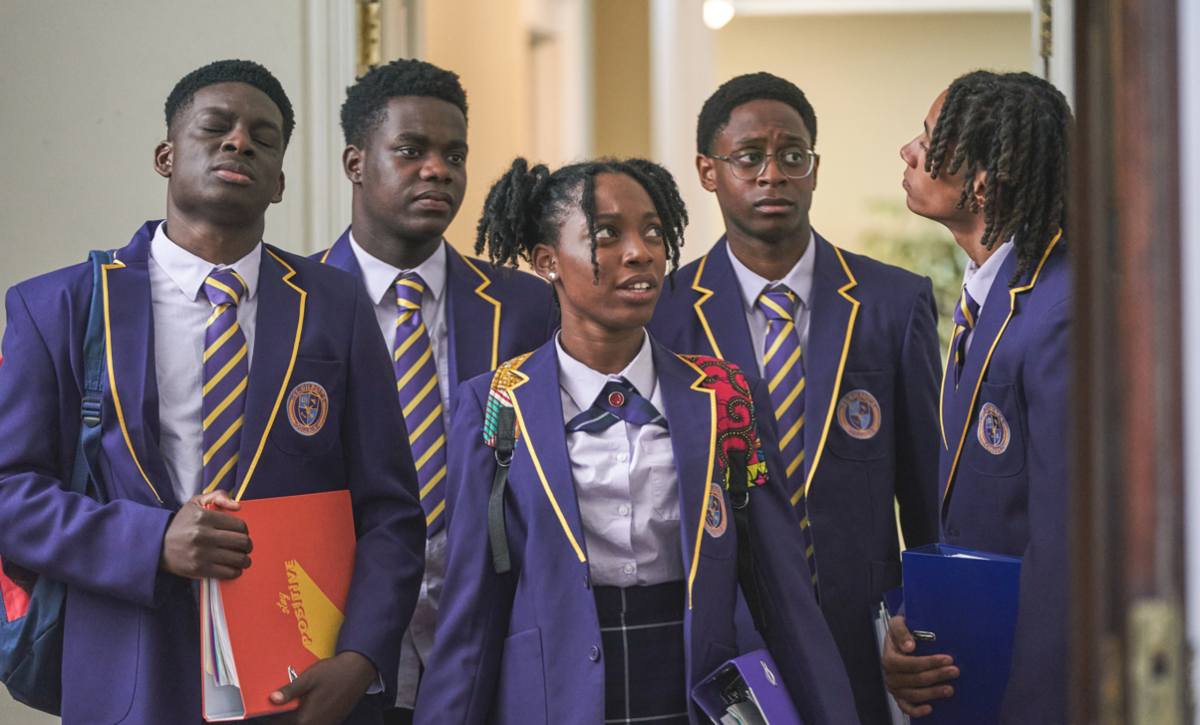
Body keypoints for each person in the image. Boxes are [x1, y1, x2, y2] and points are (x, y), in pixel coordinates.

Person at [0, 60, 426, 724]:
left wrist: (363, 658)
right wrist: (152, 540)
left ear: (281, 181)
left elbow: (391, 509)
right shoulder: (57, 306)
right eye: (216, 128)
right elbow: (9, 491)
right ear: (166, 155)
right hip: (129, 668)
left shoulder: (335, 304)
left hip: (299, 676)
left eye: (263, 136)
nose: (239, 143)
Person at [412, 157, 859, 725]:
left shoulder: (727, 397)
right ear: (548, 261)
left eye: (653, 231)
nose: (640, 251)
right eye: (606, 234)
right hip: (554, 700)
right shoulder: (497, 402)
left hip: (696, 690)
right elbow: (471, 614)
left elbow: (784, 596)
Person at [649, 72, 941, 723]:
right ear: (707, 170)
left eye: (792, 156)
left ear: (814, 168)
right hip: (725, 647)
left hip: (866, 644)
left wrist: (923, 627)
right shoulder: (665, 315)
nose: (772, 174)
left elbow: (926, 501)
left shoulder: (893, 303)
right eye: (748, 157)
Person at [311, 58, 555, 725]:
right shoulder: (293, 303)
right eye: (411, 151)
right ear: (356, 162)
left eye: (455, 154)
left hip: (492, 653)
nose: (438, 169)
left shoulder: (528, 308)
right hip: (338, 657)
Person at [881, 70, 1072, 724]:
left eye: (928, 138)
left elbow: (1064, 544)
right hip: (967, 664)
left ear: (983, 180)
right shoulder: (988, 293)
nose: (908, 150)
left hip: (1029, 686)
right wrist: (915, 624)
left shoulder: (1059, 310)